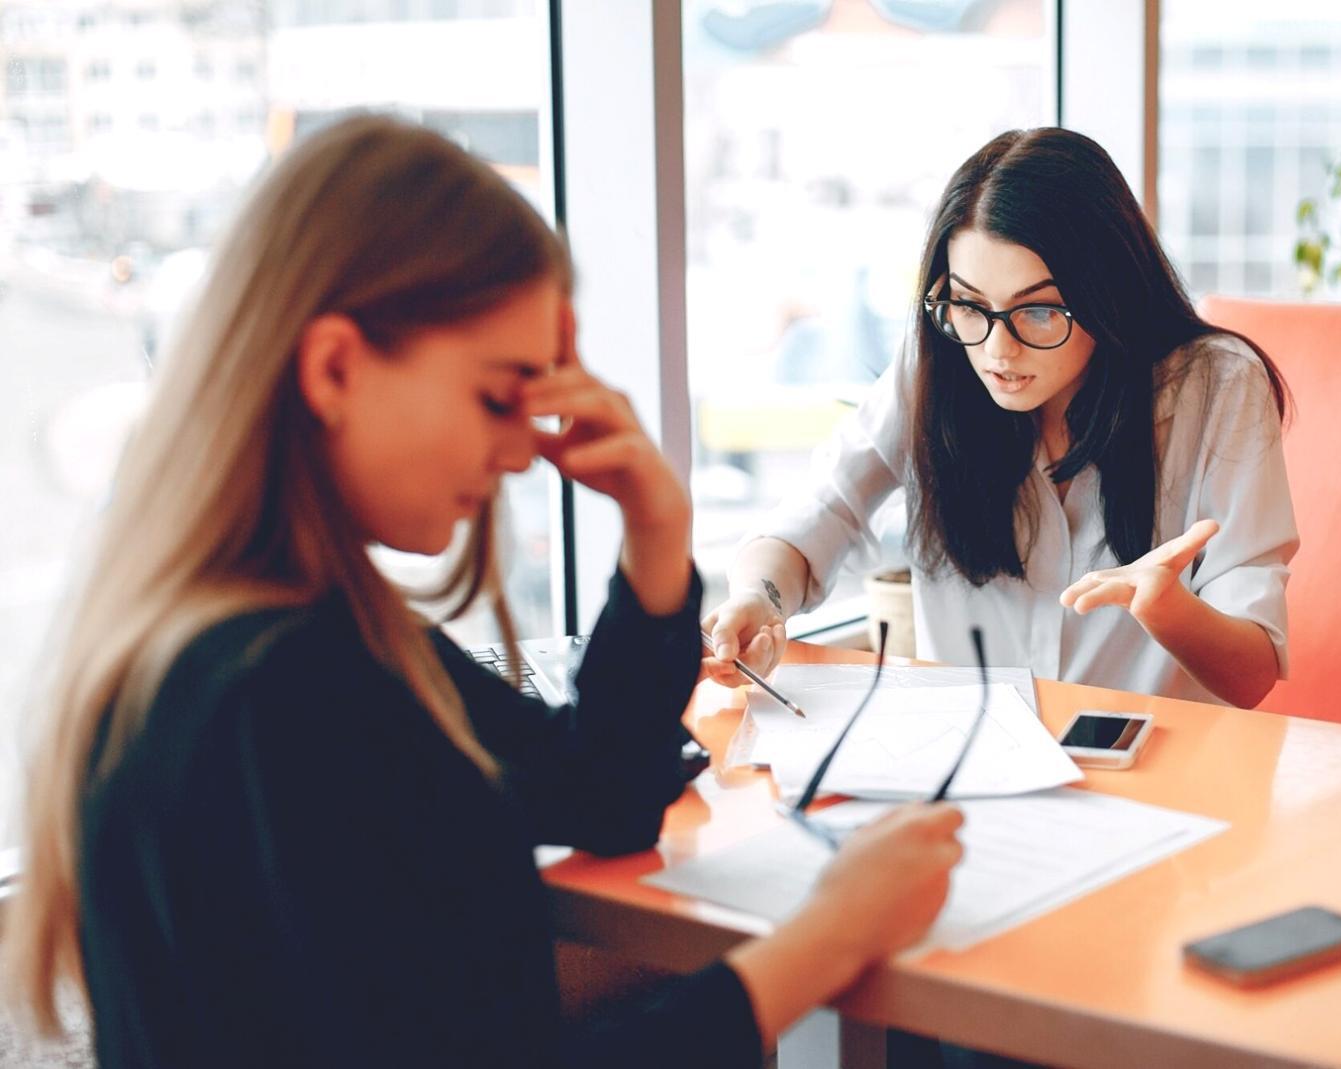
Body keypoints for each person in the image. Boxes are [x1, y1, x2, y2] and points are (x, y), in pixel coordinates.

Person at [1, 116, 963, 1068]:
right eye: (497, 393)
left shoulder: (298, 638)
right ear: (336, 366)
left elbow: (605, 794)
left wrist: (656, 532)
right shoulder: (285, 693)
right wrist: (824, 940)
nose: (520, 450)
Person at [704, 128, 1297, 709]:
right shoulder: (939, 366)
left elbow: (1250, 677)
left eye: (1037, 311)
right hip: (967, 771)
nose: (997, 351)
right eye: (968, 304)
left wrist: (1167, 606)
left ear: (1108, 292)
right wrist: (760, 599)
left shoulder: (1216, 384)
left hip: (1152, 779)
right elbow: (823, 511)